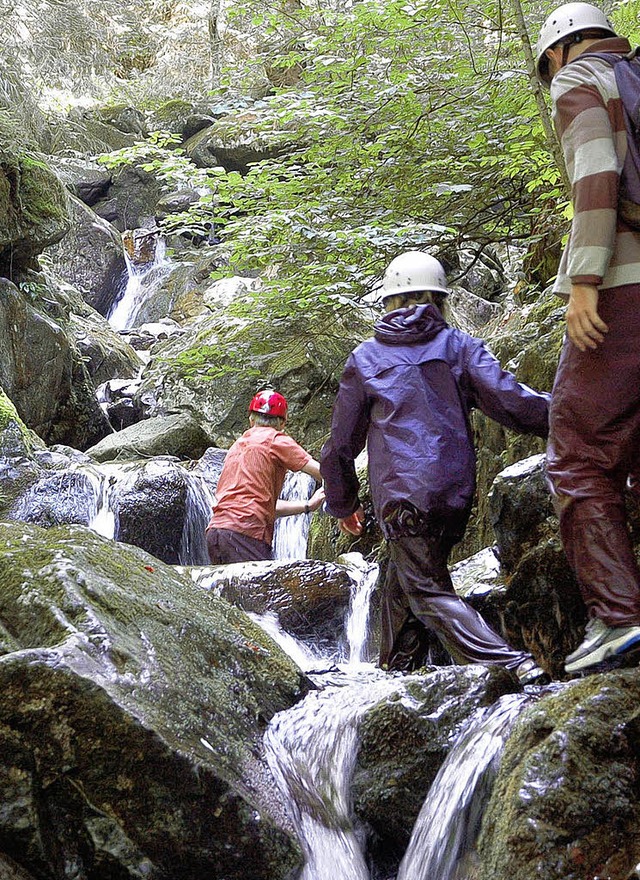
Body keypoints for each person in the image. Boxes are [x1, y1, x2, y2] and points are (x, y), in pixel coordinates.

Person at [320, 250, 551, 684]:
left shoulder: (366, 359)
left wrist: (343, 502)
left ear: (388, 301)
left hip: (403, 498)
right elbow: (512, 402)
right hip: (453, 493)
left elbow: (339, 446)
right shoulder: (459, 346)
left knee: (426, 590)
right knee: (401, 577)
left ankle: (509, 662)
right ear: (439, 299)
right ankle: (397, 670)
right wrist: (571, 417)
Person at [534, 3, 640, 674]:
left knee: (576, 450)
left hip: (624, 285)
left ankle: (620, 617)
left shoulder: (580, 81)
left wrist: (583, 281)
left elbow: (597, 179)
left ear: (555, 54)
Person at [206, 389, 324, 564]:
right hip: (246, 533)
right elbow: (323, 473)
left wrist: (308, 505)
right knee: (261, 591)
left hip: (216, 533)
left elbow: (260, 505)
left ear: (251, 420)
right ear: (282, 423)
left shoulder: (236, 447)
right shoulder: (276, 440)